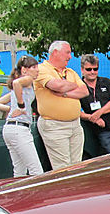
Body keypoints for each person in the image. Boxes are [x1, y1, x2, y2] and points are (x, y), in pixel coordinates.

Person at [34, 40, 88, 169]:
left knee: (76, 165)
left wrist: (65, 93)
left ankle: (74, 188)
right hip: (55, 126)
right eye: (68, 52)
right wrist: (73, 86)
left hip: (75, 124)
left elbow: (84, 91)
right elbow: (56, 85)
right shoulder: (41, 69)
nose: (70, 56)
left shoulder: (70, 72)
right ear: (56, 52)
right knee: (62, 168)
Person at [0, 56, 43, 176]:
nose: (37, 70)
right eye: (34, 67)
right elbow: (16, 82)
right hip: (20, 128)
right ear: (24, 70)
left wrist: (12, 109)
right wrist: (21, 106)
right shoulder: (27, 80)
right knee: (36, 170)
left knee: (19, 170)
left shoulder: (18, 89)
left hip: (9, 128)